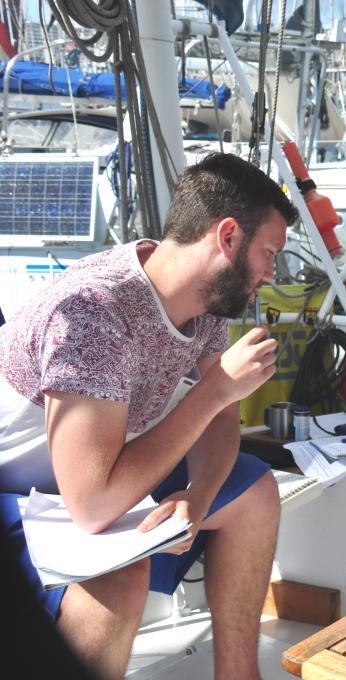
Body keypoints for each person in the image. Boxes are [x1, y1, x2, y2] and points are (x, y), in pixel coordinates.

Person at [0, 153, 299, 679]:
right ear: (227, 237)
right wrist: (214, 390)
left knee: (254, 491)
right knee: (120, 579)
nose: (272, 273)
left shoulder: (202, 301)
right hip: (21, 497)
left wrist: (199, 495)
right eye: (268, 253)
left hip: (94, 476)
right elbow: (92, 506)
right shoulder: (94, 313)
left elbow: (223, 418)